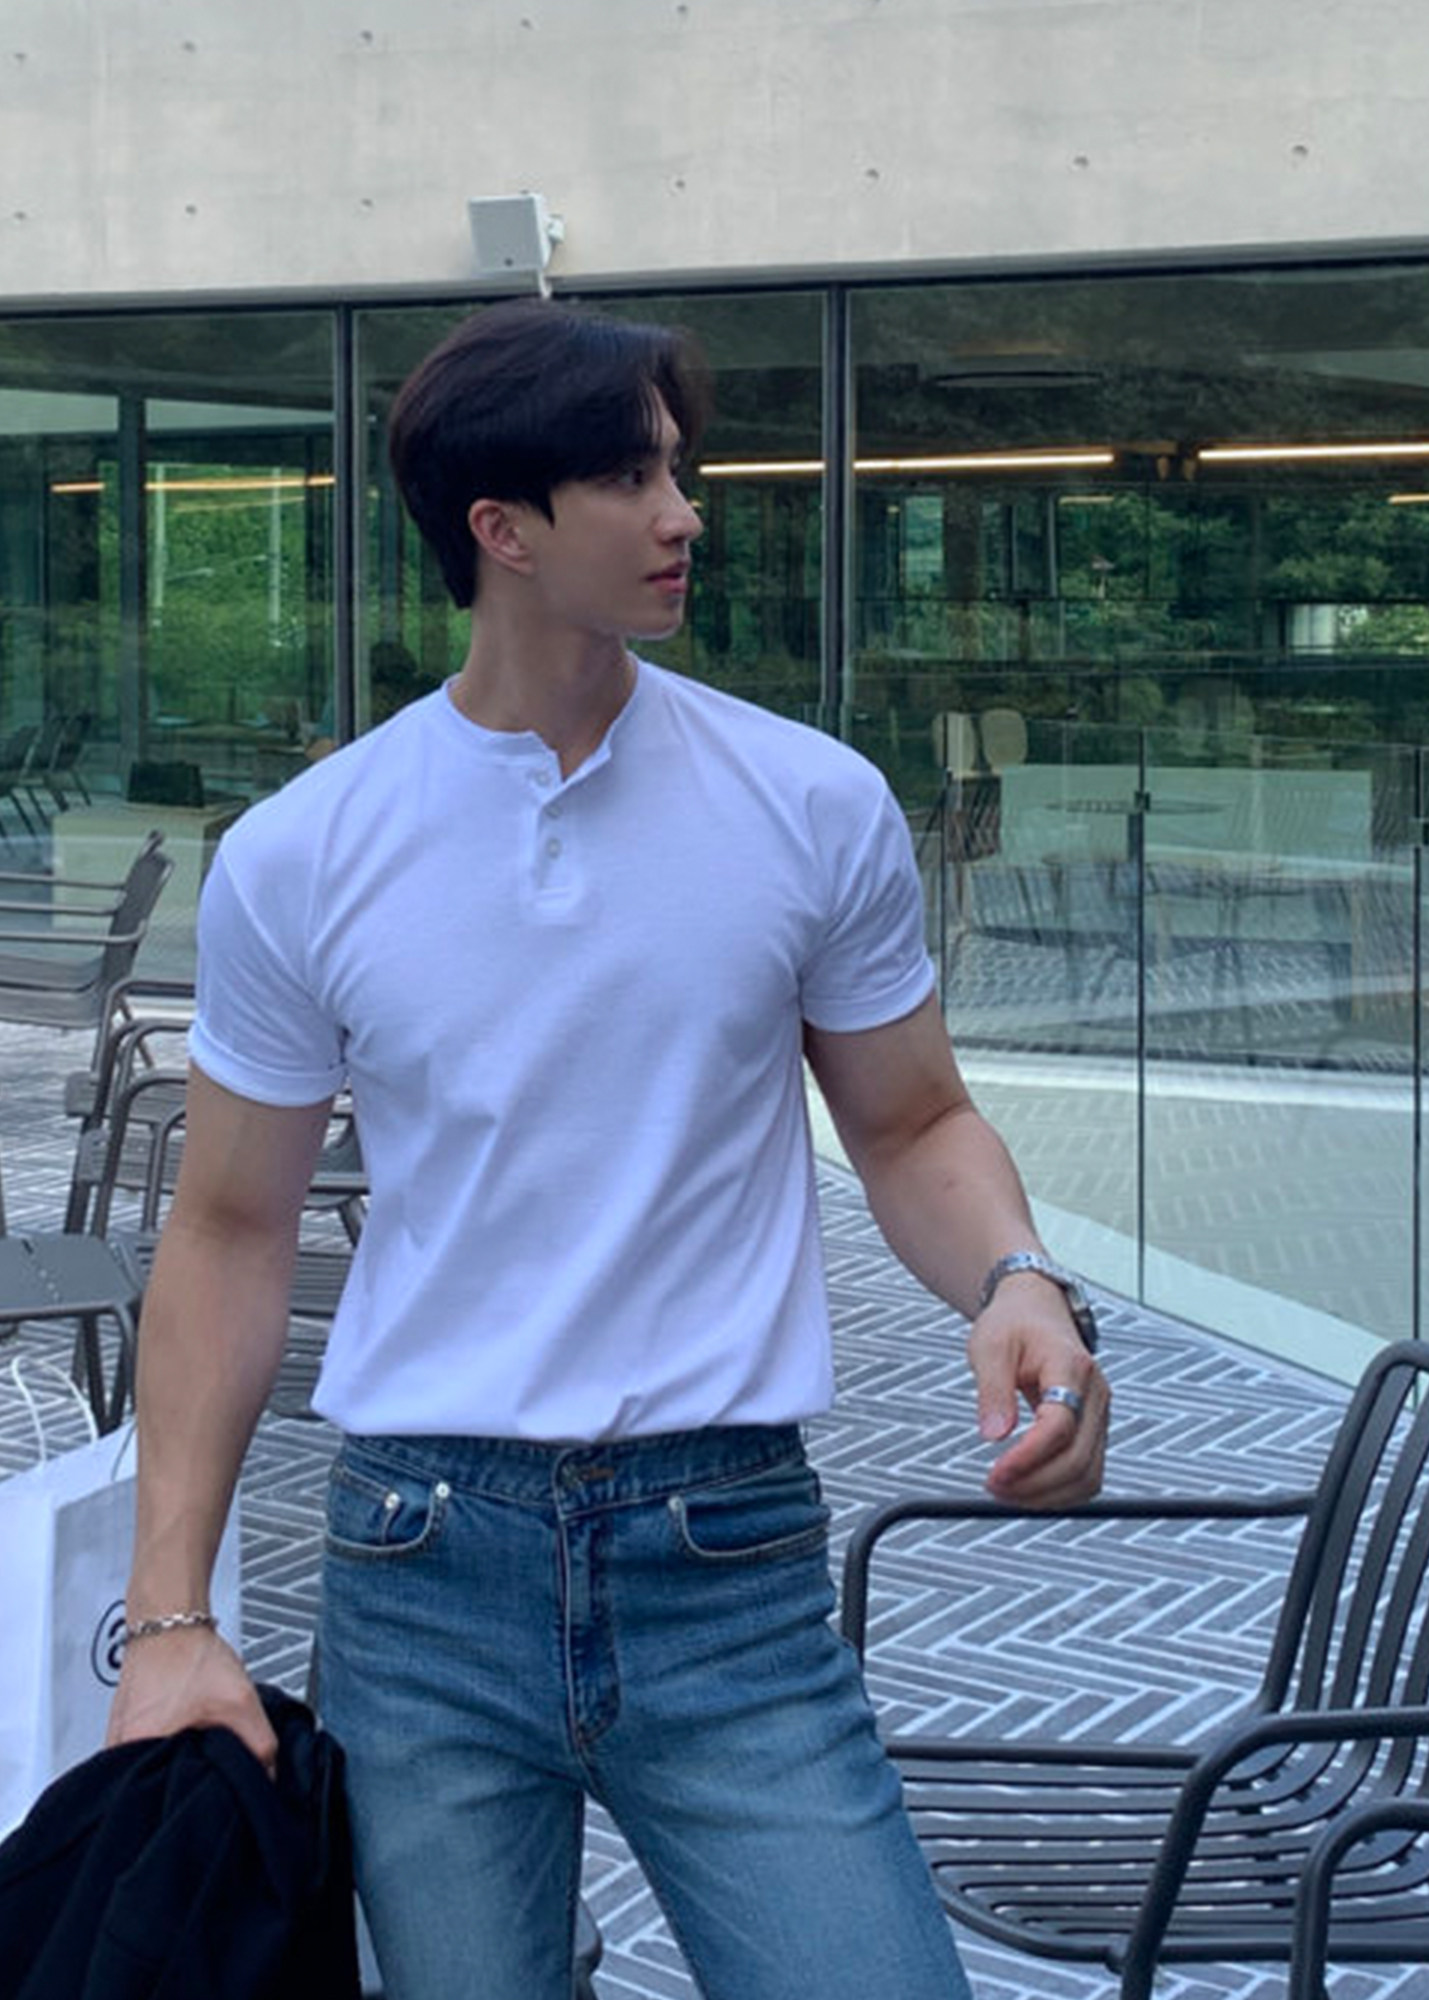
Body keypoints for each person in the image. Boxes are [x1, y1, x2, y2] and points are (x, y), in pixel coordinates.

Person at [107, 297, 1110, 2000]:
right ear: (501, 530)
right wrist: (170, 1621)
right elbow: (226, 1232)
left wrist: (1018, 1280)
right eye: (633, 479)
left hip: (727, 1559)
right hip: (421, 1562)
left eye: (678, 469)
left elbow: (914, 1121)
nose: (683, 513)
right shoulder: (303, 853)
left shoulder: (809, 803)